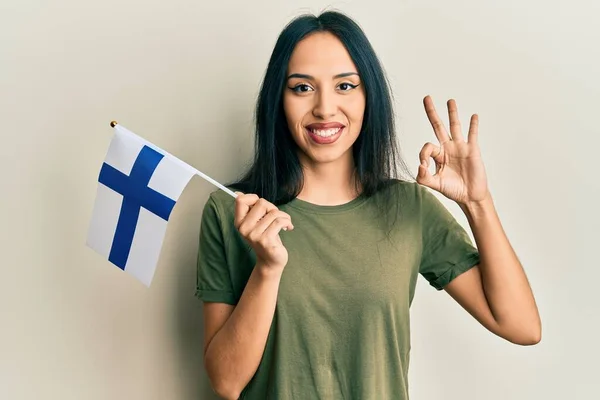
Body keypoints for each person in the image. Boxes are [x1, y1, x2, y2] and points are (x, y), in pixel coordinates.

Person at [195, 10, 541, 400]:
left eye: (345, 86)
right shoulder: (235, 212)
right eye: (302, 88)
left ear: (368, 96)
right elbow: (226, 382)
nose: (325, 108)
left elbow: (521, 326)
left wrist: (478, 203)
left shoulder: (409, 207)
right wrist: (268, 270)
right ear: (279, 100)